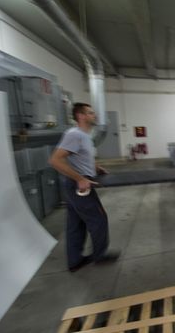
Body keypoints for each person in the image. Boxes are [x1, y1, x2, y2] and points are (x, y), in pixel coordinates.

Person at [49, 102, 119, 272]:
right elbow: (55, 160)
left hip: (78, 182)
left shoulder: (85, 135)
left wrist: (95, 167)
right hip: (78, 185)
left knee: (76, 224)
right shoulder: (74, 134)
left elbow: (81, 157)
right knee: (98, 219)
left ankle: (75, 261)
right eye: (90, 113)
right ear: (81, 116)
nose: (94, 115)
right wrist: (80, 178)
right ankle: (100, 255)